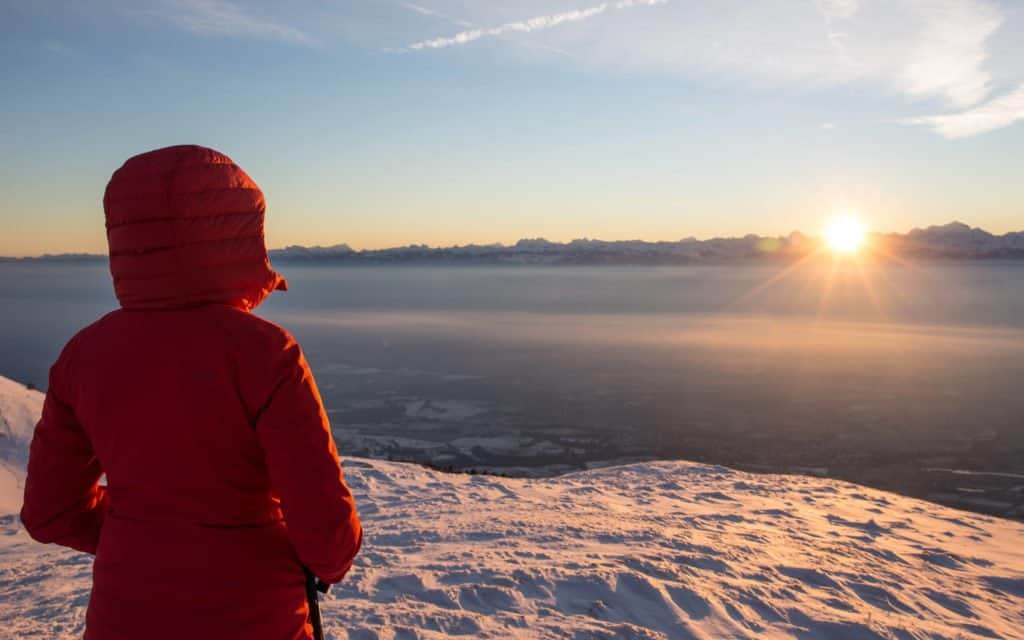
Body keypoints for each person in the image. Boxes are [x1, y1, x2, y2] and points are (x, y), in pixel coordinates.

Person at [20, 145, 362, 640]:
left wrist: (141, 533)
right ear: (239, 233)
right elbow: (329, 540)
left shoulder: (84, 354)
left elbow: (49, 512)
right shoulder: (266, 354)